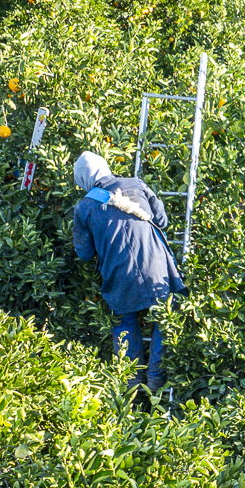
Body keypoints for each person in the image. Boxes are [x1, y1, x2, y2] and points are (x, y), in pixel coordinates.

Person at [72, 151, 186, 392]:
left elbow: (84, 253)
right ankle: (156, 380)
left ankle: (132, 386)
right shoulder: (136, 184)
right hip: (155, 266)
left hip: (118, 275)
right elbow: (161, 221)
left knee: (124, 321)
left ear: (83, 179)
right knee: (165, 318)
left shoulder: (84, 208)